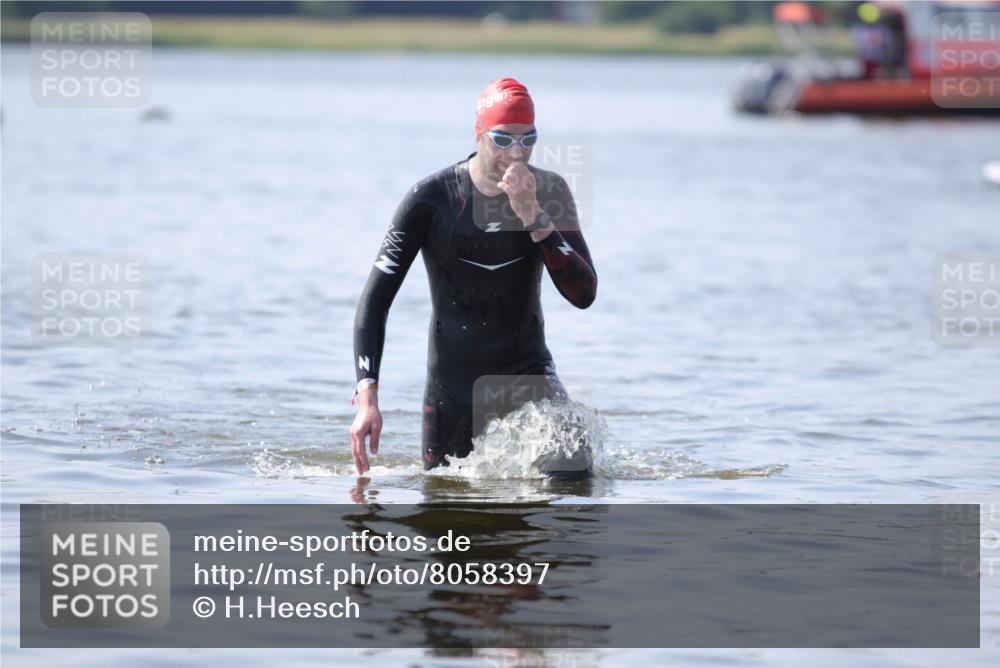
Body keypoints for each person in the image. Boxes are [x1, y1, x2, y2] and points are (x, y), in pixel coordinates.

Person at [350, 77, 597, 477]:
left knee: (574, 469)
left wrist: (534, 216)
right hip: (453, 388)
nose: (516, 152)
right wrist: (367, 398)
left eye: (528, 138)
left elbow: (584, 293)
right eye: (503, 139)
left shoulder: (549, 192)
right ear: (480, 133)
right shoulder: (431, 198)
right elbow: (374, 302)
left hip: (528, 373)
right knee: (448, 508)